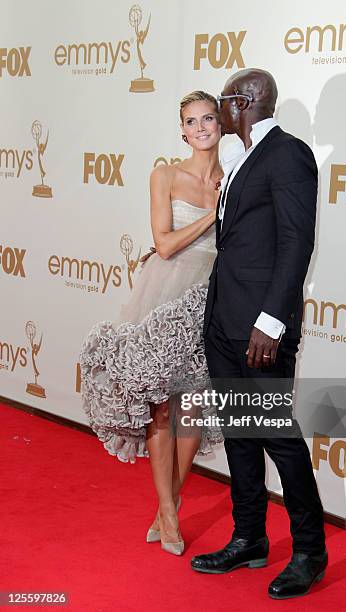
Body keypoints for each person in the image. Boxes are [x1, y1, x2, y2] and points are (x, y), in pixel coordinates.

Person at [190, 69, 327, 600]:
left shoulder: (288, 154)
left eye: (222, 100)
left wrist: (271, 322)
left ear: (244, 102)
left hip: (260, 330)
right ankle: (248, 536)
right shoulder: (241, 158)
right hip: (225, 322)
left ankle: (310, 552)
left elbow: (297, 242)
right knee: (241, 434)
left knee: (278, 438)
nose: (218, 108)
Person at [79, 90, 223, 557]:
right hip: (163, 293)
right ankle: (169, 511)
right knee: (161, 408)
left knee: (193, 410)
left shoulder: (235, 177)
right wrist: (210, 217)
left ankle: (169, 505)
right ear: (181, 129)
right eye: (191, 121)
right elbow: (163, 245)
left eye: (207, 118)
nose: (200, 127)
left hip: (209, 298)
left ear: (221, 124)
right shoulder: (165, 175)